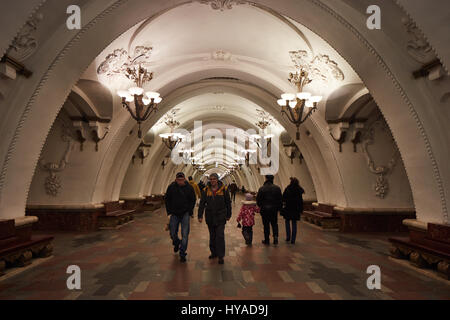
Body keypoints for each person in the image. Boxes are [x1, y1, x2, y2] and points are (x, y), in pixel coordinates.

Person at [198, 173, 232, 264]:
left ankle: (221, 256)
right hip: (210, 216)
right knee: (212, 236)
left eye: (214, 179)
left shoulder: (223, 189)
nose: (212, 180)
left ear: (217, 180)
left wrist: (229, 214)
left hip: (221, 216)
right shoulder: (206, 190)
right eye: (211, 179)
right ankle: (214, 252)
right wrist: (200, 215)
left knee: (220, 236)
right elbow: (202, 203)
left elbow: (228, 203)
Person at [164, 172, 196, 262]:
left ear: (184, 179)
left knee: (185, 234)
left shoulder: (189, 188)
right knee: (173, 233)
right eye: (178, 180)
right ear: (176, 179)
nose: (180, 181)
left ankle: (182, 253)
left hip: (185, 213)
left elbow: (193, 199)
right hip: (174, 214)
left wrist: (190, 211)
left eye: (181, 180)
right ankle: (177, 243)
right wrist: (169, 212)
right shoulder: (171, 187)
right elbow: (167, 200)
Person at [256, 175, 282, 245]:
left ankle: (267, 240)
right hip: (274, 210)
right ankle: (275, 237)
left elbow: (258, 200)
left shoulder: (262, 189)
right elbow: (280, 200)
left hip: (264, 210)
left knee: (266, 225)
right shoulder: (277, 188)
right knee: (274, 224)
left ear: (266, 179)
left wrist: (261, 206)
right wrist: (278, 208)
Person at [281, 177, 305, 244]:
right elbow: (301, 201)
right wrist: (301, 210)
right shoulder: (299, 190)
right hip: (296, 209)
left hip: (288, 208)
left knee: (287, 222)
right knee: (294, 223)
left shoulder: (288, 189)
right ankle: (293, 239)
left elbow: (283, 198)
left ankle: (288, 237)